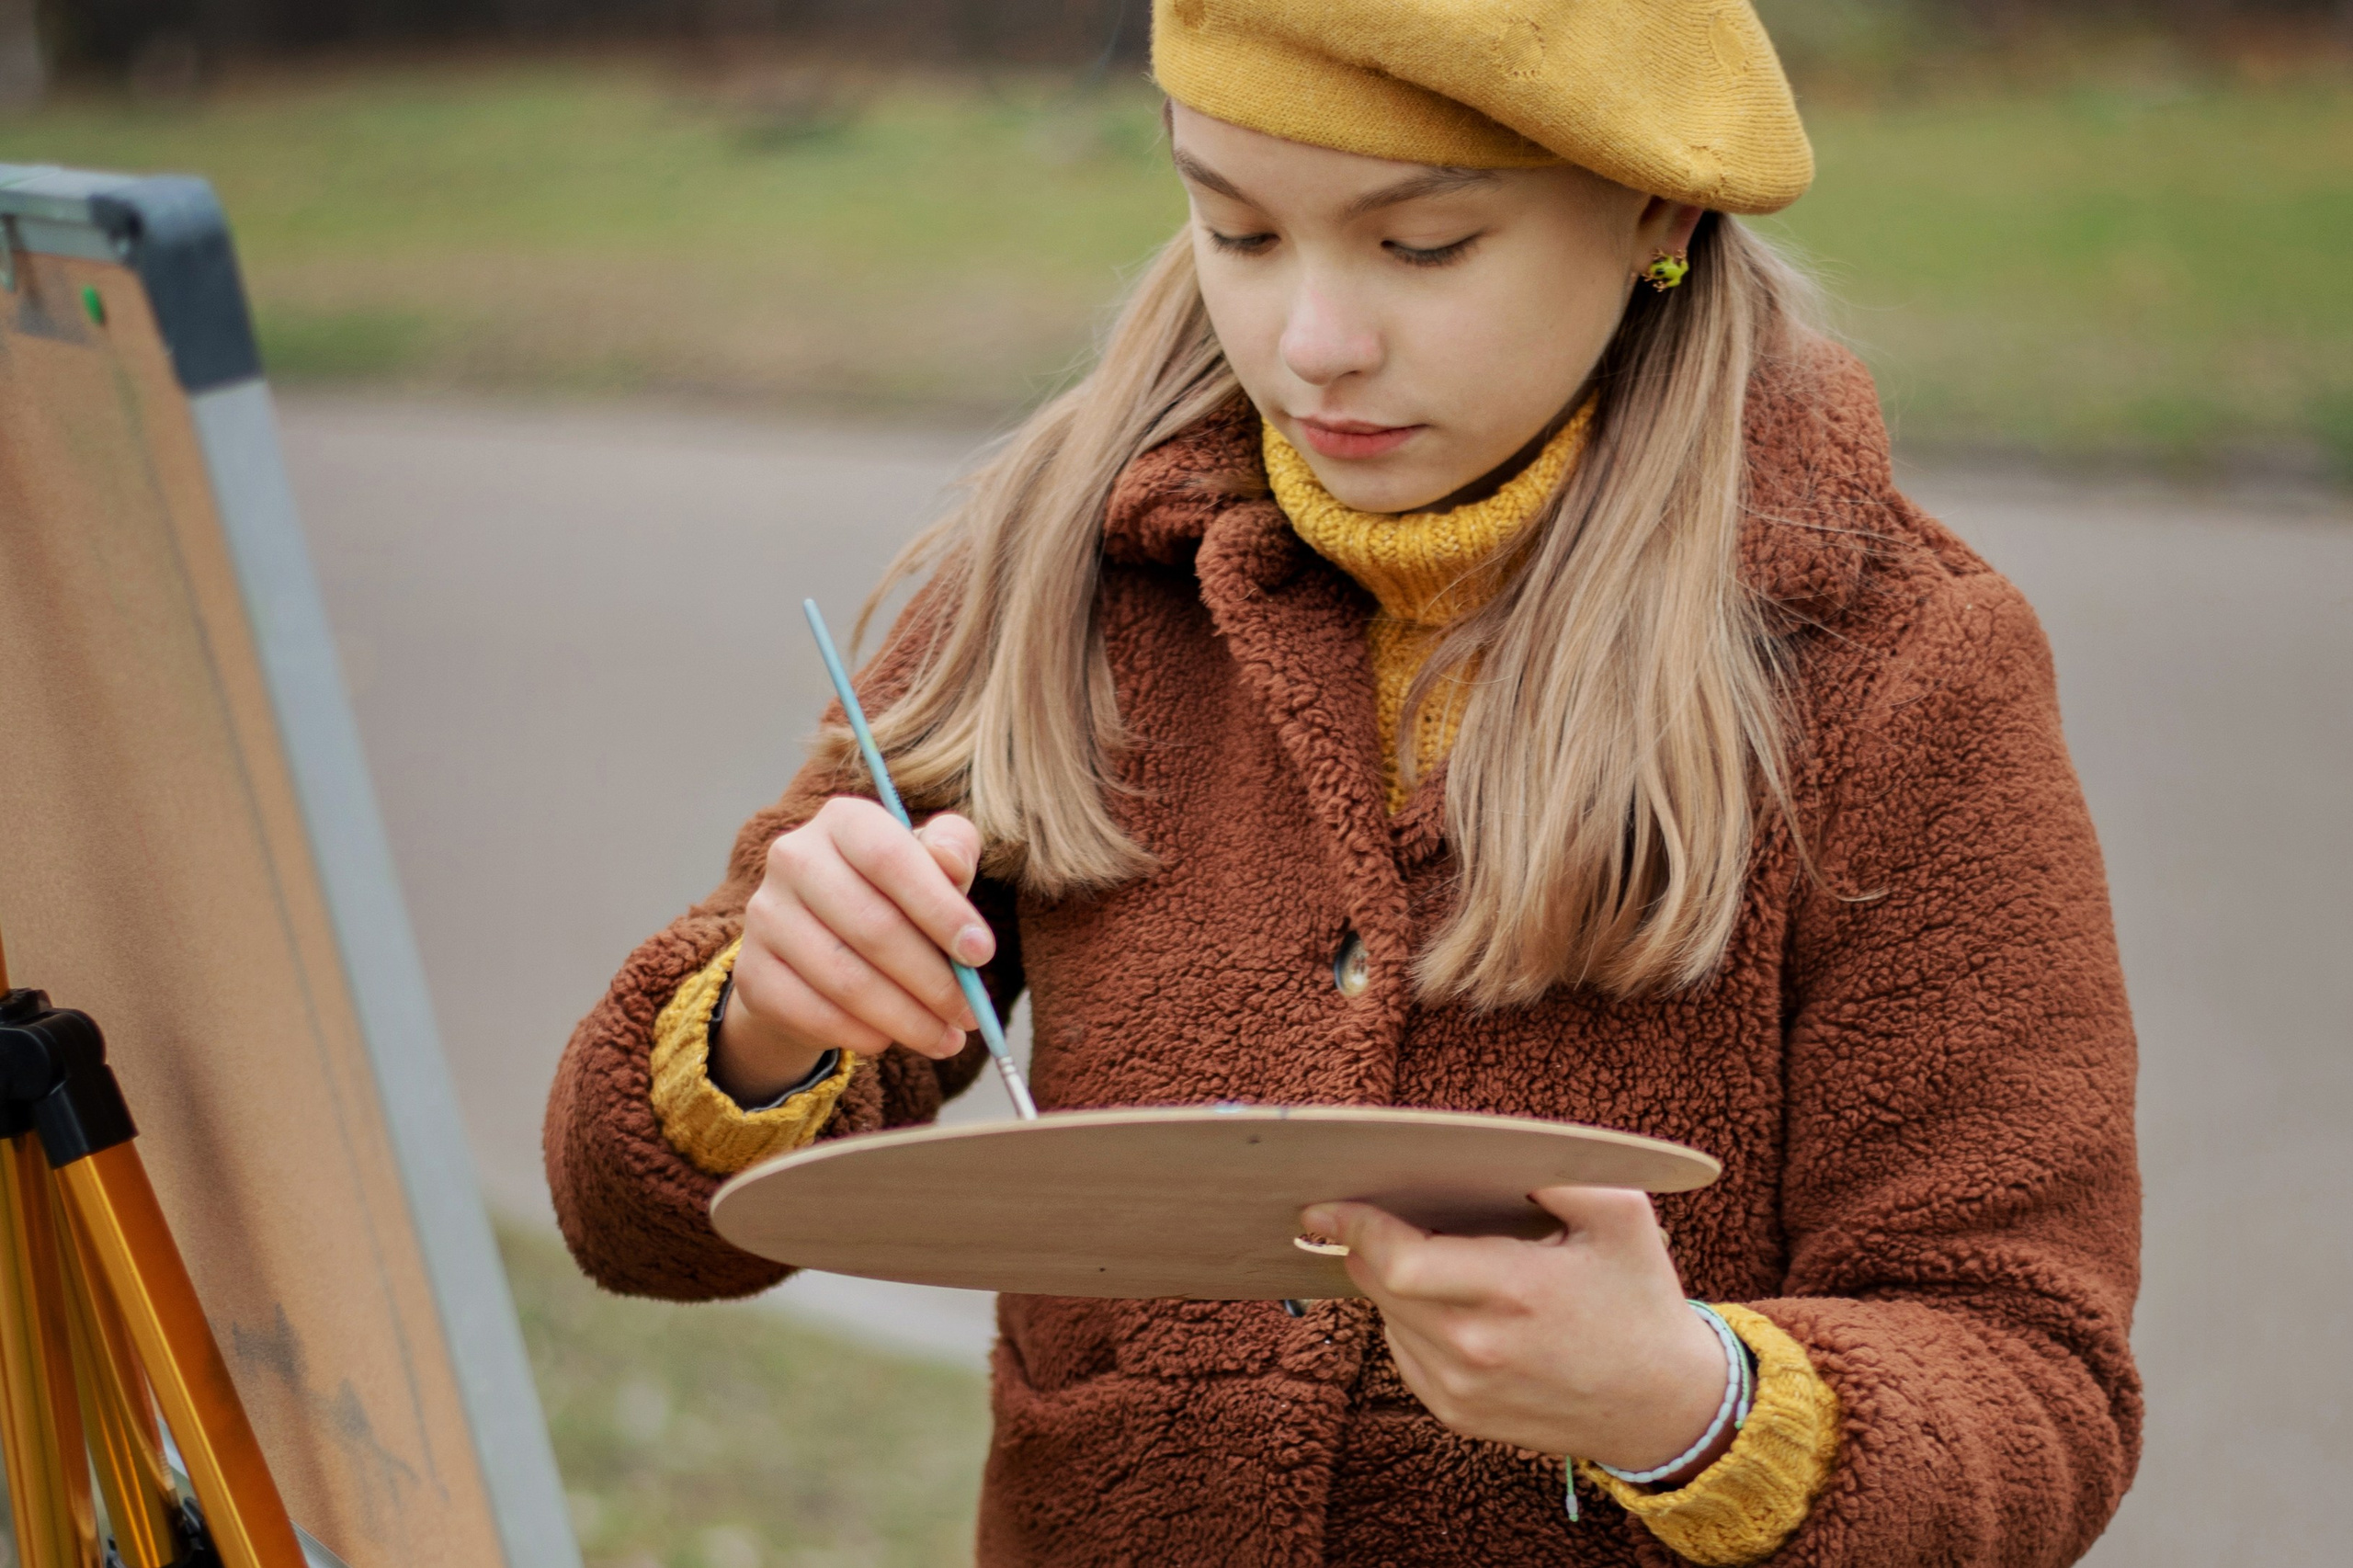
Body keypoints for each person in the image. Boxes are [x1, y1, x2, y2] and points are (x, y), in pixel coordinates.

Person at [544, 3, 2141, 1563]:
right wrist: (765, 1019)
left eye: (1423, 245)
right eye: (1236, 232)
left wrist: (1688, 1405)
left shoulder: (1903, 667)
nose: (1312, 343)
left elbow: (2035, 1379)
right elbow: (632, 1222)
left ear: (1655, 201)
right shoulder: (1060, 567)